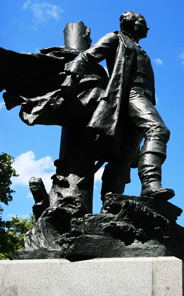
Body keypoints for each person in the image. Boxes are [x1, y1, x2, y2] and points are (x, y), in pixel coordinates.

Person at [61, 11, 174, 201]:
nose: (147, 27)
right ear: (130, 23)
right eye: (142, 22)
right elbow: (88, 56)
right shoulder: (116, 38)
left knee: (124, 155)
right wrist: (71, 75)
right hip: (129, 95)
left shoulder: (138, 47)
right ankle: (151, 182)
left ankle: (111, 200)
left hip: (140, 99)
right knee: (158, 130)